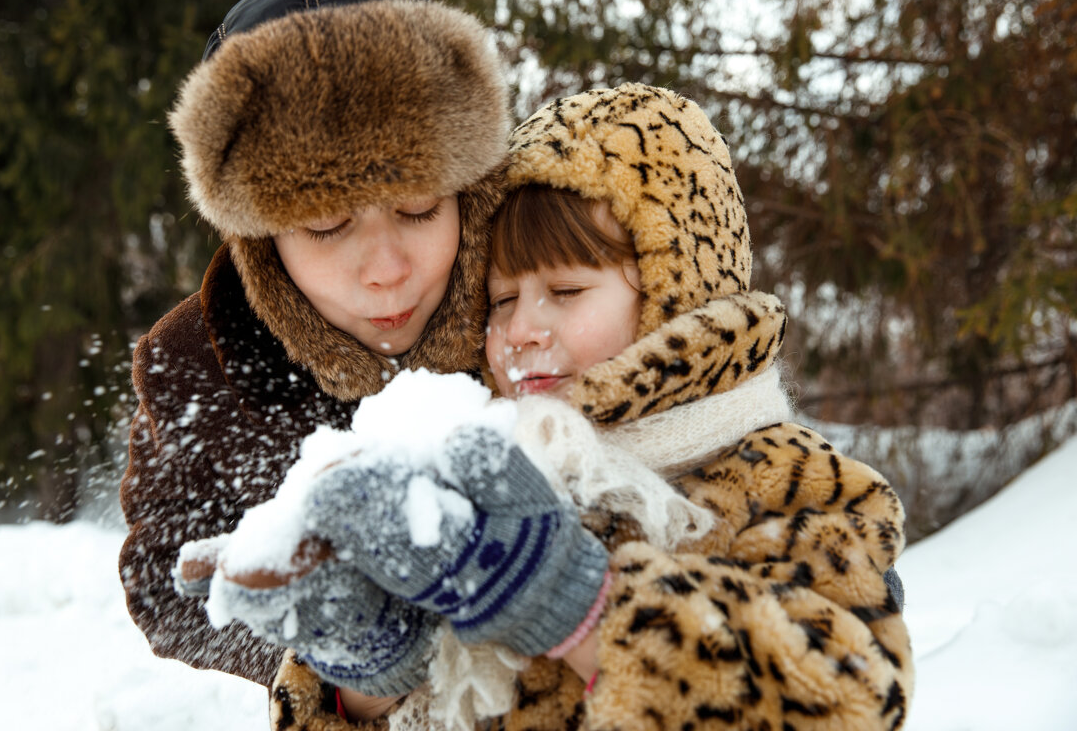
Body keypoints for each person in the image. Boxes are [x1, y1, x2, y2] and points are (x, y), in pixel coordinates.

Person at [234, 83, 912, 729]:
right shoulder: (467, 480)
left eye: (564, 291)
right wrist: (366, 681)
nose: (520, 329)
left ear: (670, 292)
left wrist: (574, 604)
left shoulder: (787, 483)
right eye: (500, 301)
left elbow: (849, 701)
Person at [117, 0, 510, 723]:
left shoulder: (537, 287)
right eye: (328, 227)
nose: (388, 272)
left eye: (421, 209)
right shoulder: (201, 362)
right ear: (261, 242)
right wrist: (340, 664)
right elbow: (165, 588)